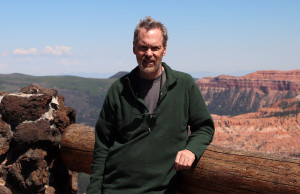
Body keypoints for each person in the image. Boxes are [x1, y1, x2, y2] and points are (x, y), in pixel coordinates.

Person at [87, 16, 214, 194]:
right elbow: (102, 145)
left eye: (155, 48)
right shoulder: (119, 89)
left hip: (162, 189)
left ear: (164, 50)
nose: (149, 53)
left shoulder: (184, 84)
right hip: (116, 188)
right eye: (143, 47)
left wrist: (191, 150)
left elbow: (204, 127)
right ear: (134, 48)